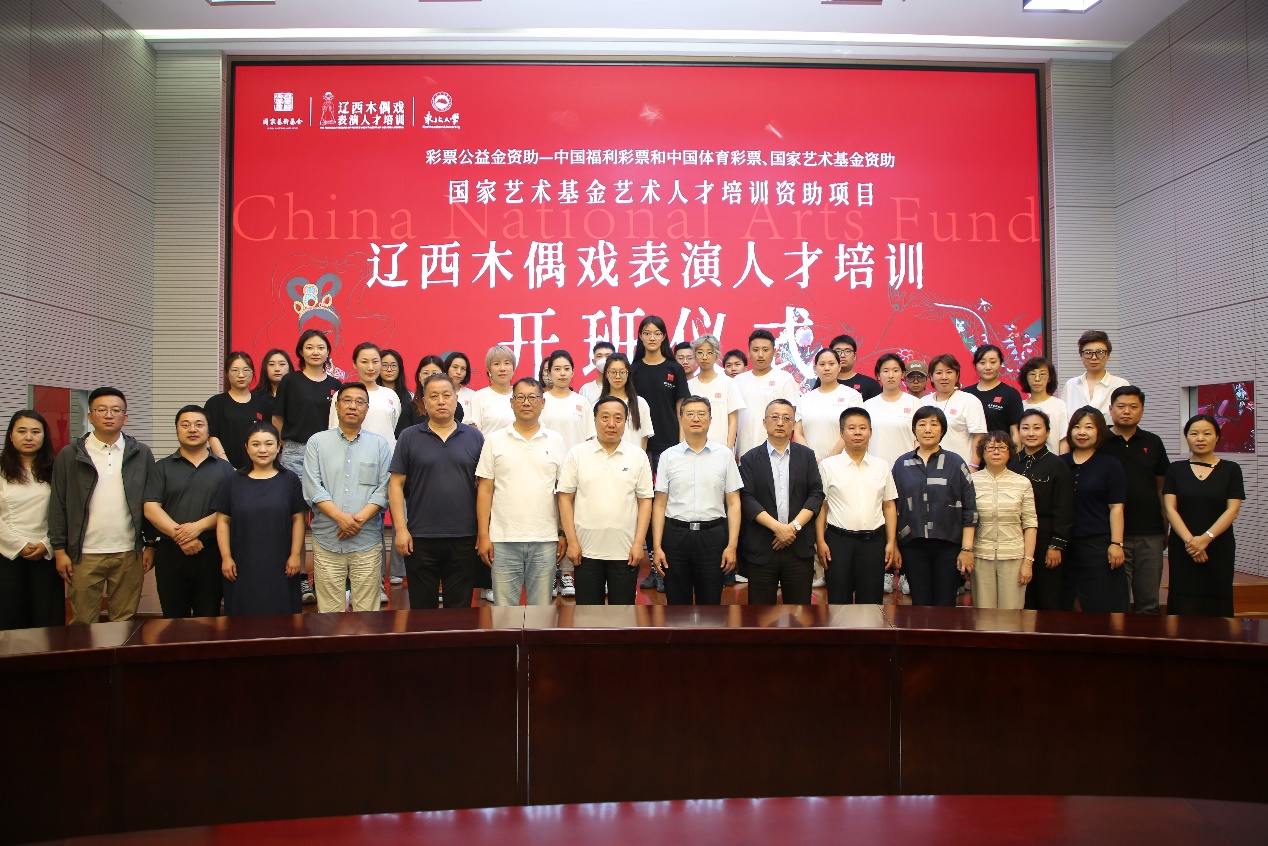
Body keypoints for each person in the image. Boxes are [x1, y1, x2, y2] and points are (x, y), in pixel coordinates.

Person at [49, 388, 155, 625]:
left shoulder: (141, 453)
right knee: (82, 624)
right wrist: (59, 550)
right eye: (101, 410)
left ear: (125, 417)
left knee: (124, 623)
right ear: (90, 416)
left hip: (128, 552)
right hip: (84, 553)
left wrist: (150, 544)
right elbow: (58, 503)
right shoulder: (70, 454)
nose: (109, 415)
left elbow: (149, 502)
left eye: (116, 410)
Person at [389, 373, 485, 609]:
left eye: (446, 395)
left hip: (464, 537)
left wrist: (483, 532)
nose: (441, 401)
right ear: (424, 401)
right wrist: (401, 530)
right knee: (422, 611)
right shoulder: (409, 437)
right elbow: (395, 485)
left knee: (460, 612)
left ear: (456, 399)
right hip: (420, 537)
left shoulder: (474, 437)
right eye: (434, 396)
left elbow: (484, 487)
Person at [475, 378, 566, 606]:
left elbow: (563, 493)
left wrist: (562, 532)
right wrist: (483, 535)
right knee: (504, 612)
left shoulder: (556, 441)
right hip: (503, 540)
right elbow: (485, 490)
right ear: (512, 402)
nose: (526, 403)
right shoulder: (494, 440)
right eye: (521, 397)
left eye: (533, 397)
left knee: (541, 611)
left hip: (545, 539)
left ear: (542, 403)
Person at [304, 383, 392, 613]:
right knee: (329, 615)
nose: (353, 406)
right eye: (347, 400)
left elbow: (384, 489)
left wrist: (356, 522)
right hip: (328, 539)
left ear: (367, 409)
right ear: (337, 405)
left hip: (366, 541)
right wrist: (340, 518)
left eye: (360, 402)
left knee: (368, 614)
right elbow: (313, 487)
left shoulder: (379, 445)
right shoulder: (317, 442)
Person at [558, 396, 654, 605]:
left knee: (623, 615)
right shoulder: (577, 454)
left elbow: (646, 501)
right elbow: (564, 499)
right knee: (587, 615)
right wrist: (572, 542)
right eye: (605, 417)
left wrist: (639, 544)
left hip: (625, 552)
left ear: (625, 422)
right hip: (585, 551)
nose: (611, 424)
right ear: (594, 420)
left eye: (618, 418)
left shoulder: (638, 456)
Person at [143, 405, 234, 618]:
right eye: (185, 425)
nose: (192, 429)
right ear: (177, 430)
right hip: (170, 552)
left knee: (209, 617)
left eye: (199, 424)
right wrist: (181, 536)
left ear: (208, 430)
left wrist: (197, 528)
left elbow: (231, 509)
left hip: (211, 551)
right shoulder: (161, 467)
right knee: (173, 618)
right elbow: (150, 508)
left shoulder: (225, 469)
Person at [651, 397, 742, 605]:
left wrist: (732, 546)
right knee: (677, 606)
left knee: (711, 606)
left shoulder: (724, 455)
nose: (696, 419)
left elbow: (734, 503)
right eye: (690, 414)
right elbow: (660, 504)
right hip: (675, 537)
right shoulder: (668, 456)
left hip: (712, 537)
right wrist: (657, 546)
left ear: (710, 419)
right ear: (681, 418)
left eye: (701, 414)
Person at [271, 330, 341, 604]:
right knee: (297, 515)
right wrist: (279, 449)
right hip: (295, 452)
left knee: (325, 515)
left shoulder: (336, 385)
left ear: (328, 352)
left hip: (327, 453)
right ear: (301, 351)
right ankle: (300, 576)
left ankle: (324, 576)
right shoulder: (290, 381)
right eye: (309, 347)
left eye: (321, 347)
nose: (315, 352)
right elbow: (278, 419)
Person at [213, 422, 307, 616]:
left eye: (269, 444)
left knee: (283, 619)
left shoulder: (290, 479)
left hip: (282, 564)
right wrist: (226, 557)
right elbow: (222, 522)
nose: (262, 450)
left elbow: (299, 519)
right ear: (247, 448)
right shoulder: (233, 480)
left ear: (279, 446)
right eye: (256, 444)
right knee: (242, 620)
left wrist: (295, 554)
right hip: (241, 564)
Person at [739, 399, 824, 605]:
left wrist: (792, 528)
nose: (780, 422)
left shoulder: (806, 456)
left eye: (786, 418)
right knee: (760, 615)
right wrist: (778, 528)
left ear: (794, 424)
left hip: (798, 547)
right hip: (762, 547)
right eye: (774, 417)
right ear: (764, 422)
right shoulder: (749, 458)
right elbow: (747, 499)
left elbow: (816, 494)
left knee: (799, 613)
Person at [892, 406, 977, 607]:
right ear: (914, 429)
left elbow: (970, 508)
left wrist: (967, 549)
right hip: (912, 546)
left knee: (945, 604)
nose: (927, 429)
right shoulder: (902, 464)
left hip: (948, 546)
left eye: (934, 424)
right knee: (919, 602)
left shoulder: (955, 463)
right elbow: (892, 507)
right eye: (922, 424)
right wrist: (894, 545)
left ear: (943, 430)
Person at [1163, 414, 1245, 617]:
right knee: (1183, 602)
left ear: (1217, 437)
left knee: (1217, 603)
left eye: (1207, 433)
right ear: (1187, 437)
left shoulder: (1231, 469)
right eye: (1194, 433)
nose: (1200, 438)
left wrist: (1206, 539)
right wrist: (1192, 543)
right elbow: (1170, 509)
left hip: (1218, 545)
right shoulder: (1175, 469)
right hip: (1183, 546)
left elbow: (1232, 509)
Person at [815, 407, 899, 605]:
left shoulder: (881, 466)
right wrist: (820, 541)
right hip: (838, 542)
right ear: (841, 433)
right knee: (838, 603)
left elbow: (889, 506)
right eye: (851, 428)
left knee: (871, 604)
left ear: (871, 432)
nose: (857, 432)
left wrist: (891, 542)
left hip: (874, 543)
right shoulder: (828, 466)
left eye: (863, 428)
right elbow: (821, 507)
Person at [1101, 386, 1170, 614]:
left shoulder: (1154, 442)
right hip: (1110, 534)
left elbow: (1162, 487)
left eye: (1133, 407)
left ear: (1142, 410)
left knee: (1148, 602)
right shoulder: (1100, 442)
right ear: (1111, 409)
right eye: (1121, 406)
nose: (1126, 411)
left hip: (1149, 533)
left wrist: (1165, 526)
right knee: (1115, 603)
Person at [1061, 407, 1128, 613]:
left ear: (1099, 431)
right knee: (1064, 604)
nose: (1082, 432)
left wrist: (1116, 543)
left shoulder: (1110, 464)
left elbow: (1116, 507)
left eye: (1089, 427)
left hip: (1098, 545)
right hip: (1065, 546)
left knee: (1102, 605)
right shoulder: (1060, 463)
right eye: (1077, 427)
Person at [0, 410, 61, 629]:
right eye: (22, 431)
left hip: (47, 553)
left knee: (46, 622)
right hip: (6, 555)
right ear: (11, 435)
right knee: (8, 619)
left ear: (44, 436)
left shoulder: (57, 469)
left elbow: (64, 511)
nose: (29, 437)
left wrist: (47, 544)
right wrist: (19, 545)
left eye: (35, 432)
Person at [1009, 409, 1074, 611]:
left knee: (1047, 597)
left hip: (1046, 538)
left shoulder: (1057, 465)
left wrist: (1057, 545)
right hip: (1015, 538)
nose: (1031, 433)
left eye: (1037, 428)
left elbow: (1064, 508)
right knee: (1020, 596)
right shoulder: (1011, 463)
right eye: (1025, 428)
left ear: (1047, 432)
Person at [969, 432, 1037, 610]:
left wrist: (1028, 562)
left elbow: (1030, 524)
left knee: (1011, 614)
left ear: (1010, 452)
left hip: (1014, 556)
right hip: (981, 556)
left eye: (1001, 447)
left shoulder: (1022, 483)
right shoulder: (970, 482)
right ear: (982, 452)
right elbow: (966, 520)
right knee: (983, 614)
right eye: (990, 447)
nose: (996, 452)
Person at [631, 315, 690, 473]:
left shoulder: (675, 369)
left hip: (669, 441)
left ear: (663, 337)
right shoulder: (633, 370)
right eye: (647, 333)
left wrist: (681, 442)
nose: (652, 338)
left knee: (670, 487)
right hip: (640, 441)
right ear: (640, 336)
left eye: (657, 333)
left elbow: (681, 409)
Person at [734, 329, 800, 457]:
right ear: (748, 352)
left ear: (774, 352)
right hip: (743, 453)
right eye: (755, 350)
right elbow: (732, 420)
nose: (760, 354)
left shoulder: (784, 378)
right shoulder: (738, 380)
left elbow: (792, 418)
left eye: (765, 350)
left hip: (776, 453)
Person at [794, 348, 863, 462]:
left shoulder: (852, 396)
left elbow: (852, 431)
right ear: (815, 368)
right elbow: (798, 433)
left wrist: (829, 461)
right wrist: (812, 459)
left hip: (842, 463)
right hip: (811, 464)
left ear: (839, 367)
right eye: (822, 364)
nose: (827, 368)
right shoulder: (804, 399)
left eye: (831, 364)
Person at [921, 354, 988, 468]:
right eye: (939, 373)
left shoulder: (969, 401)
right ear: (931, 377)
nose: (944, 377)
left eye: (949, 372)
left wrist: (973, 466)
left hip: (959, 468)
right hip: (928, 468)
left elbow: (979, 437)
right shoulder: (923, 402)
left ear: (957, 376)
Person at [330, 343, 400, 449]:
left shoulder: (391, 395)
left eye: (375, 362)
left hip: (386, 455)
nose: (370, 368)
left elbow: (393, 428)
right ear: (354, 364)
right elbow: (334, 430)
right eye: (364, 362)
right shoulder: (342, 395)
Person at [206, 352, 269, 469]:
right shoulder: (215, 403)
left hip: (257, 468)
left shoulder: (263, 403)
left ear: (252, 373)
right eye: (235, 370)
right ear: (226, 373)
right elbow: (212, 435)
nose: (241, 375)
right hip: (224, 467)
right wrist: (226, 465)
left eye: (246, 370)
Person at [688, 334, 744, 451]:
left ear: (717, 355)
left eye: (709, 352)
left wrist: (729, 450)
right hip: (693, 449)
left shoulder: (728, 383)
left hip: (720, 449)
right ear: (694, 355)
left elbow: (733, 420)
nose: (704, 357)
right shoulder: (689, 385)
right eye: (700, 353)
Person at [862, 354, 917, 467]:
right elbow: (863, 441)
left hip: (907, 467)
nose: (891, 375)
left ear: (902, 374)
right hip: (875, 468)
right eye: (885, 371)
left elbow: (919, 439)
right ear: (878, 375)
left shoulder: (914, 403)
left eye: (895, 371)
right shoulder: (868, 405)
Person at [962, 344, 1023, 445]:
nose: (988, 367)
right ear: (975, 365)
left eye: (993, 362)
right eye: (982, 363)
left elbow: (1015, 431)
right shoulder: (965, 394)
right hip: (969, 453)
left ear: (1000, 363)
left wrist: (1015, 455)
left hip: (999, 452)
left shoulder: (1010, 394)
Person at [541, 350, 596, 453]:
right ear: (549, 373)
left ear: (572, 372)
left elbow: (590, 438)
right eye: (557, 369)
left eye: (567, 369)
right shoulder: (540, 402)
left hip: (577, 460)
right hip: (548, 460)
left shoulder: (582, 402)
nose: (562, 373)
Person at [1062, 330, 1128, 416]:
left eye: (1100, 352)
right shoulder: (1071, 385)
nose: (1094, 357)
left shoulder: (1120, 384)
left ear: (1108, 355)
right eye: (1088, 353)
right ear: (1081, 355)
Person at [600, 353, 654, 450]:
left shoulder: (640, 403)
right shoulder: (599, 405)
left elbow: (644, 438)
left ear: (628, 374)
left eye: (622, 372)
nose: (617, 376)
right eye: (613, 372)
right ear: (606, 375)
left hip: (633, 458)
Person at [1019, 356, 1068, 455]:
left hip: (1053, 461)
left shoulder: (1059, 404)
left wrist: (1063, 462)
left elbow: (1063, 439)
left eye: (1042, 374)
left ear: (1049, 378)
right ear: (1026, 378)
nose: (1037, 379)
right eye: (1032, 374)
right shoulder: (1020, 406)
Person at [468, 345, 518, 436]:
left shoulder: (521, 395)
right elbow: (471, 435)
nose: (502, 369)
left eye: (507, 363)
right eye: (497, 364)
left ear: (513, 368)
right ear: (489, 369)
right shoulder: (479, 397)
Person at [396, 355, 451, 435]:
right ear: (419, 377)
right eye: (425, 373)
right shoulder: (410, 409)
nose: (430, 377)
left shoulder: (454, 406)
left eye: (435, 373)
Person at [831, 334, 882, 400]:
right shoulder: (823, 383)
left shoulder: (870, 384)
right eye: (838, 351)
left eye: (847, 351)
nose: (842, 355)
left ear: (855, 356)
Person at [252, 348, 293, 421]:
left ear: (289, 368)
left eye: (282, 364)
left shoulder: (298, 396)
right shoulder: (255, 397)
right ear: (265, 369)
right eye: (271, 364)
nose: (277, 369)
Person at [445, 351, 478, 422]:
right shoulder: (437, 393)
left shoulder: (472, 395)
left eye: (463, 369)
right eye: (455, 367)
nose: (458, 372)